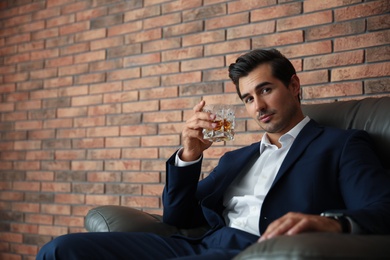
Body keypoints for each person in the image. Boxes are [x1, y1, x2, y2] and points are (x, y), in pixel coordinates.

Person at [37, 49, 390, 259]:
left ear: (294, 86)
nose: (259, 106)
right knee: (62, 250)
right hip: (200, 245)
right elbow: (177, 216)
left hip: (255, 251)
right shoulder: (238, 158)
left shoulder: (341, 145)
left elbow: (382, 209)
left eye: (266, 90)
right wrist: (189, 155)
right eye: (248, 99)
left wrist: (332, 222)